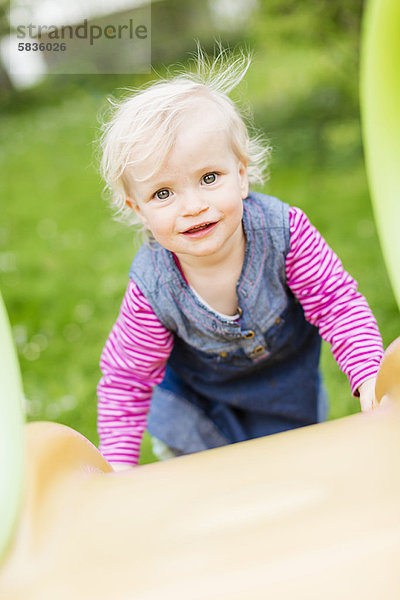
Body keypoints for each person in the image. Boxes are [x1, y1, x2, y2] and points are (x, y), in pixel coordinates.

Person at [97, 48, 383, 470]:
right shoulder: (153, 286)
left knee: (293, 474)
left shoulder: (285, 234)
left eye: (209, 179)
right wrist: (118, 467)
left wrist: (369, 376)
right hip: (196, 409)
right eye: (163, 193)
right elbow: (128, 377)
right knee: (212, 488)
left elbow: (337, 304)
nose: (192, 206)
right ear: (138, 209)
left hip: (285, 394)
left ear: (242, 174)